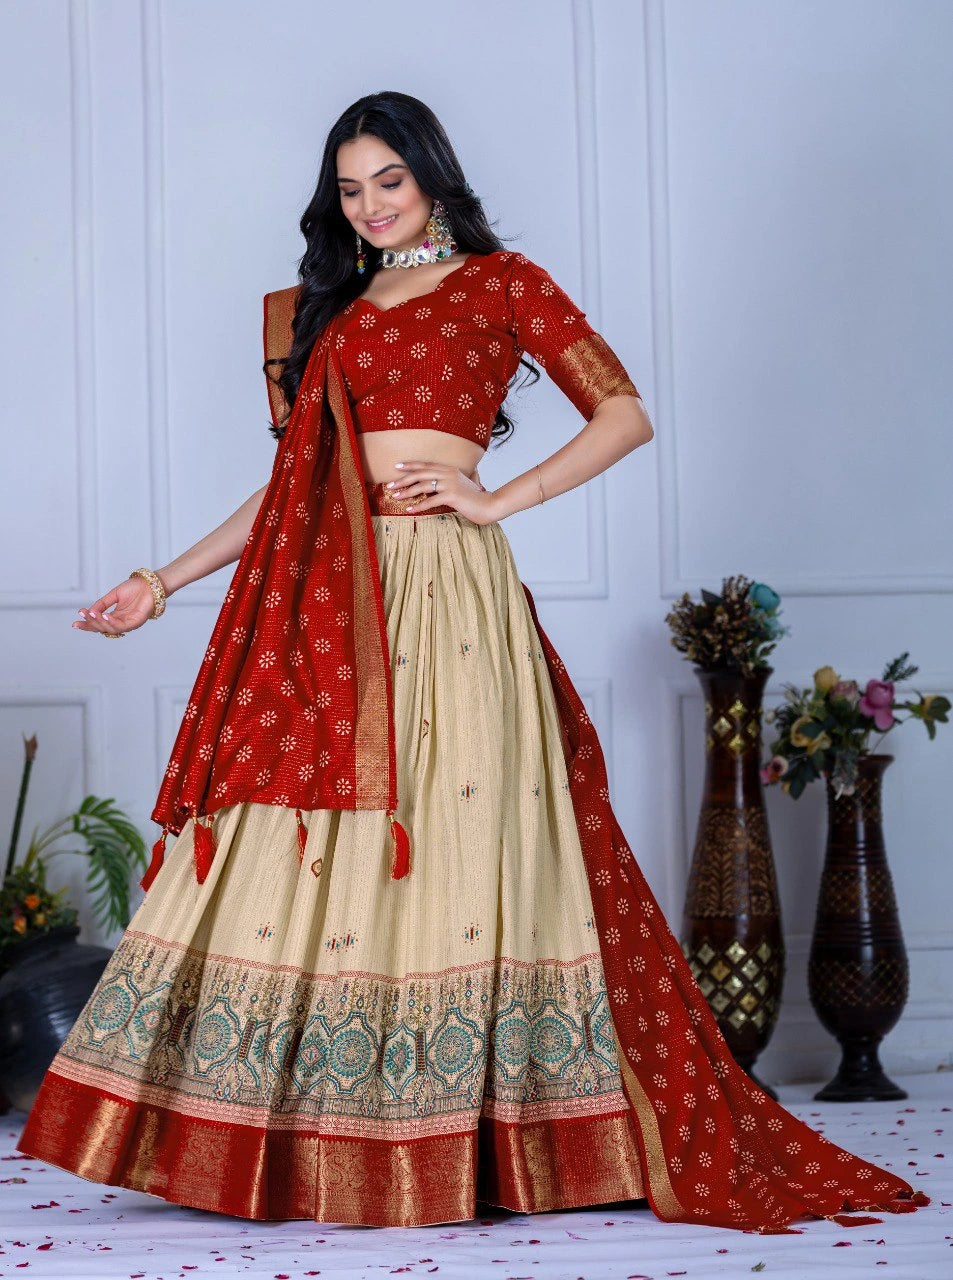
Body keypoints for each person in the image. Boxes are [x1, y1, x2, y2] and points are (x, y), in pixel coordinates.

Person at [15, 91, 929, 1234]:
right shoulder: (326, 311)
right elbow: (292, 486)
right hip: (331, 595)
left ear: (432, 176)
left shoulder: (504, 283)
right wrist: (161, 580)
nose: (370, 205)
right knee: (317, 837)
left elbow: (622, 413)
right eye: (349, 189)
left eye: (387, 180)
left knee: (450, 839)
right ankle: (305, 1135)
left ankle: (478, 1133)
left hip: (450, 594)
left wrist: (496, 498)